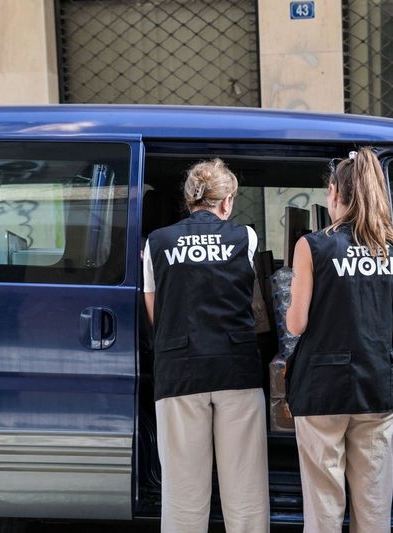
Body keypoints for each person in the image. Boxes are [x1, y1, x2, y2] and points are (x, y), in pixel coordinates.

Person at [143, 158, 269, 533]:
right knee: (245, 489)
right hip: (236, 370)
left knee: (183, 492)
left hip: (179, 371)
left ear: (188, 198)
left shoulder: (157, 242)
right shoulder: (246, 237)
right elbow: (252, 302)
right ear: (227, 201)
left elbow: (156, 314)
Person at [286, 148, 393, 533]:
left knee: (323, 507)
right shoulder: (392, 248)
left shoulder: (313, 245)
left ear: (335, 191)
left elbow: (297, 324)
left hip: (323, 388)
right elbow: (392, 319)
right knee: (372, 505)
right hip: (375, 385)